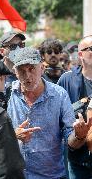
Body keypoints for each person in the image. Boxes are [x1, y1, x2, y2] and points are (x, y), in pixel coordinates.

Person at [7, 47, 76, 179]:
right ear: (15, 72)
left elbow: (69, 135)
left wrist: (78, 135)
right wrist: (12, 135)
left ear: (42, 68)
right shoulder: (7, 94)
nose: (27, 76)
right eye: (22, 71)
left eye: (32, 69)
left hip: (52, 175)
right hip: (17, 175)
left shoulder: (59, 95)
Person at [58, 35, 92, 179]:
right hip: (79, 160)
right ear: (80, 54)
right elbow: (57, 115)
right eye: (91, 49)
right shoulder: (67, 79)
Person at [0, 31, 26, 101]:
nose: (18, 49)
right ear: (2, 51)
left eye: (21, 45)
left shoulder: (31, 71)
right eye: (13, 46)